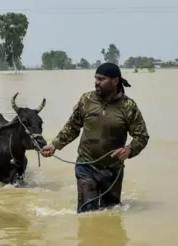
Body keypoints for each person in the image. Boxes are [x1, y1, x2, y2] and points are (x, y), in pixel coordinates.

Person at [40, 62, 150, 213]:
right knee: (87, 213)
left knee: (111, 213)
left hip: (113, 170)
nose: (96, 82)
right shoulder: (86, 100)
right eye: (96, 78)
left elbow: (142, 136)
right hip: (86, 166)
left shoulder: (128, 106)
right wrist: (54, 145)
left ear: (115, 81)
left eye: (101, 79)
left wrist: (129, 150)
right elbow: (72, 126)